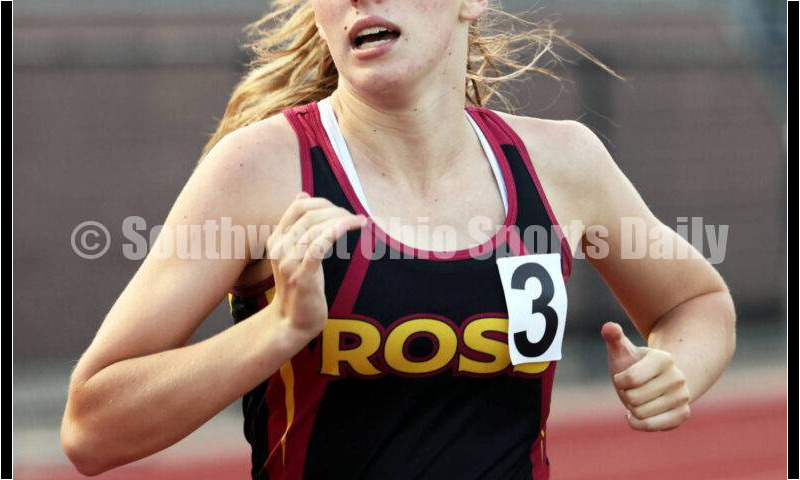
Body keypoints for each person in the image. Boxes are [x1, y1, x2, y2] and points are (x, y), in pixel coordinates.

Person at [60, 1, 737, 479]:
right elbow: (91, 431)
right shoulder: (260, 171)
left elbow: (698, 303)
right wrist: (275, 331)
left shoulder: (564, 164)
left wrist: (675, 369)